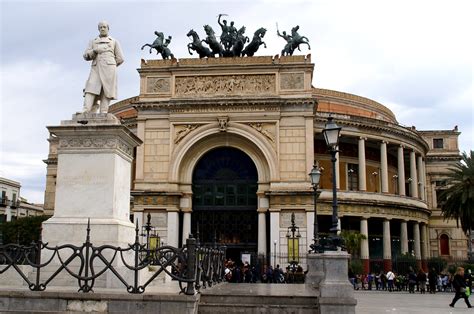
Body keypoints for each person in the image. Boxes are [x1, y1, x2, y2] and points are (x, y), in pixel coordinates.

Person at [83, 21, 124, 114]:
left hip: (109, 69)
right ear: (98, 29)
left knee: (107, 90)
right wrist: (95, 51)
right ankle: (85, 110)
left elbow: (120, 58)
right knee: (90, 88)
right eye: (100, 27)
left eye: (104, 27)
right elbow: (86, 56)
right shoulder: (93, 41)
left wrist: (111, 64)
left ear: (108, 28)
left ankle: (103, 112)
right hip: (96, 68)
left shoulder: (113, 41)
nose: (102, 29)